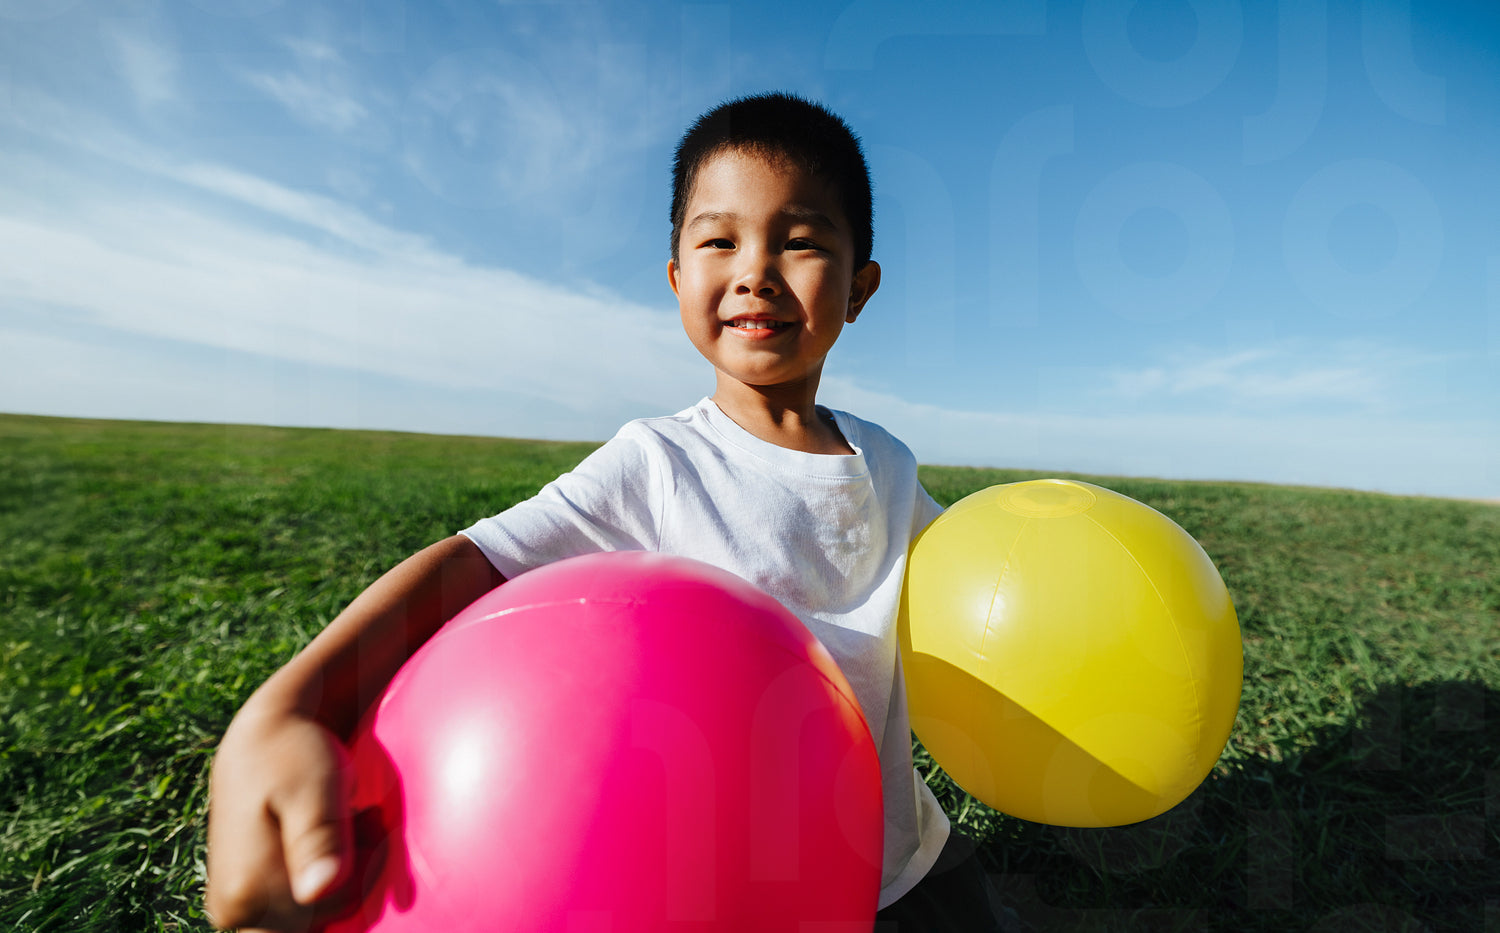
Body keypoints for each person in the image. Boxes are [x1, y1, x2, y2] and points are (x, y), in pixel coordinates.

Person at [205, 91, 1014, 932]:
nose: (756, 271)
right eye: (720, 240)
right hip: (748, 880)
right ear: (677, 278)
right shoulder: (658, 462)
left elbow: (974, 591)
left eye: (801, 241)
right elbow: (476, 561)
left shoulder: (885, 460)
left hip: (907, 856)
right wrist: (291, 707)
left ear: (859, 288)